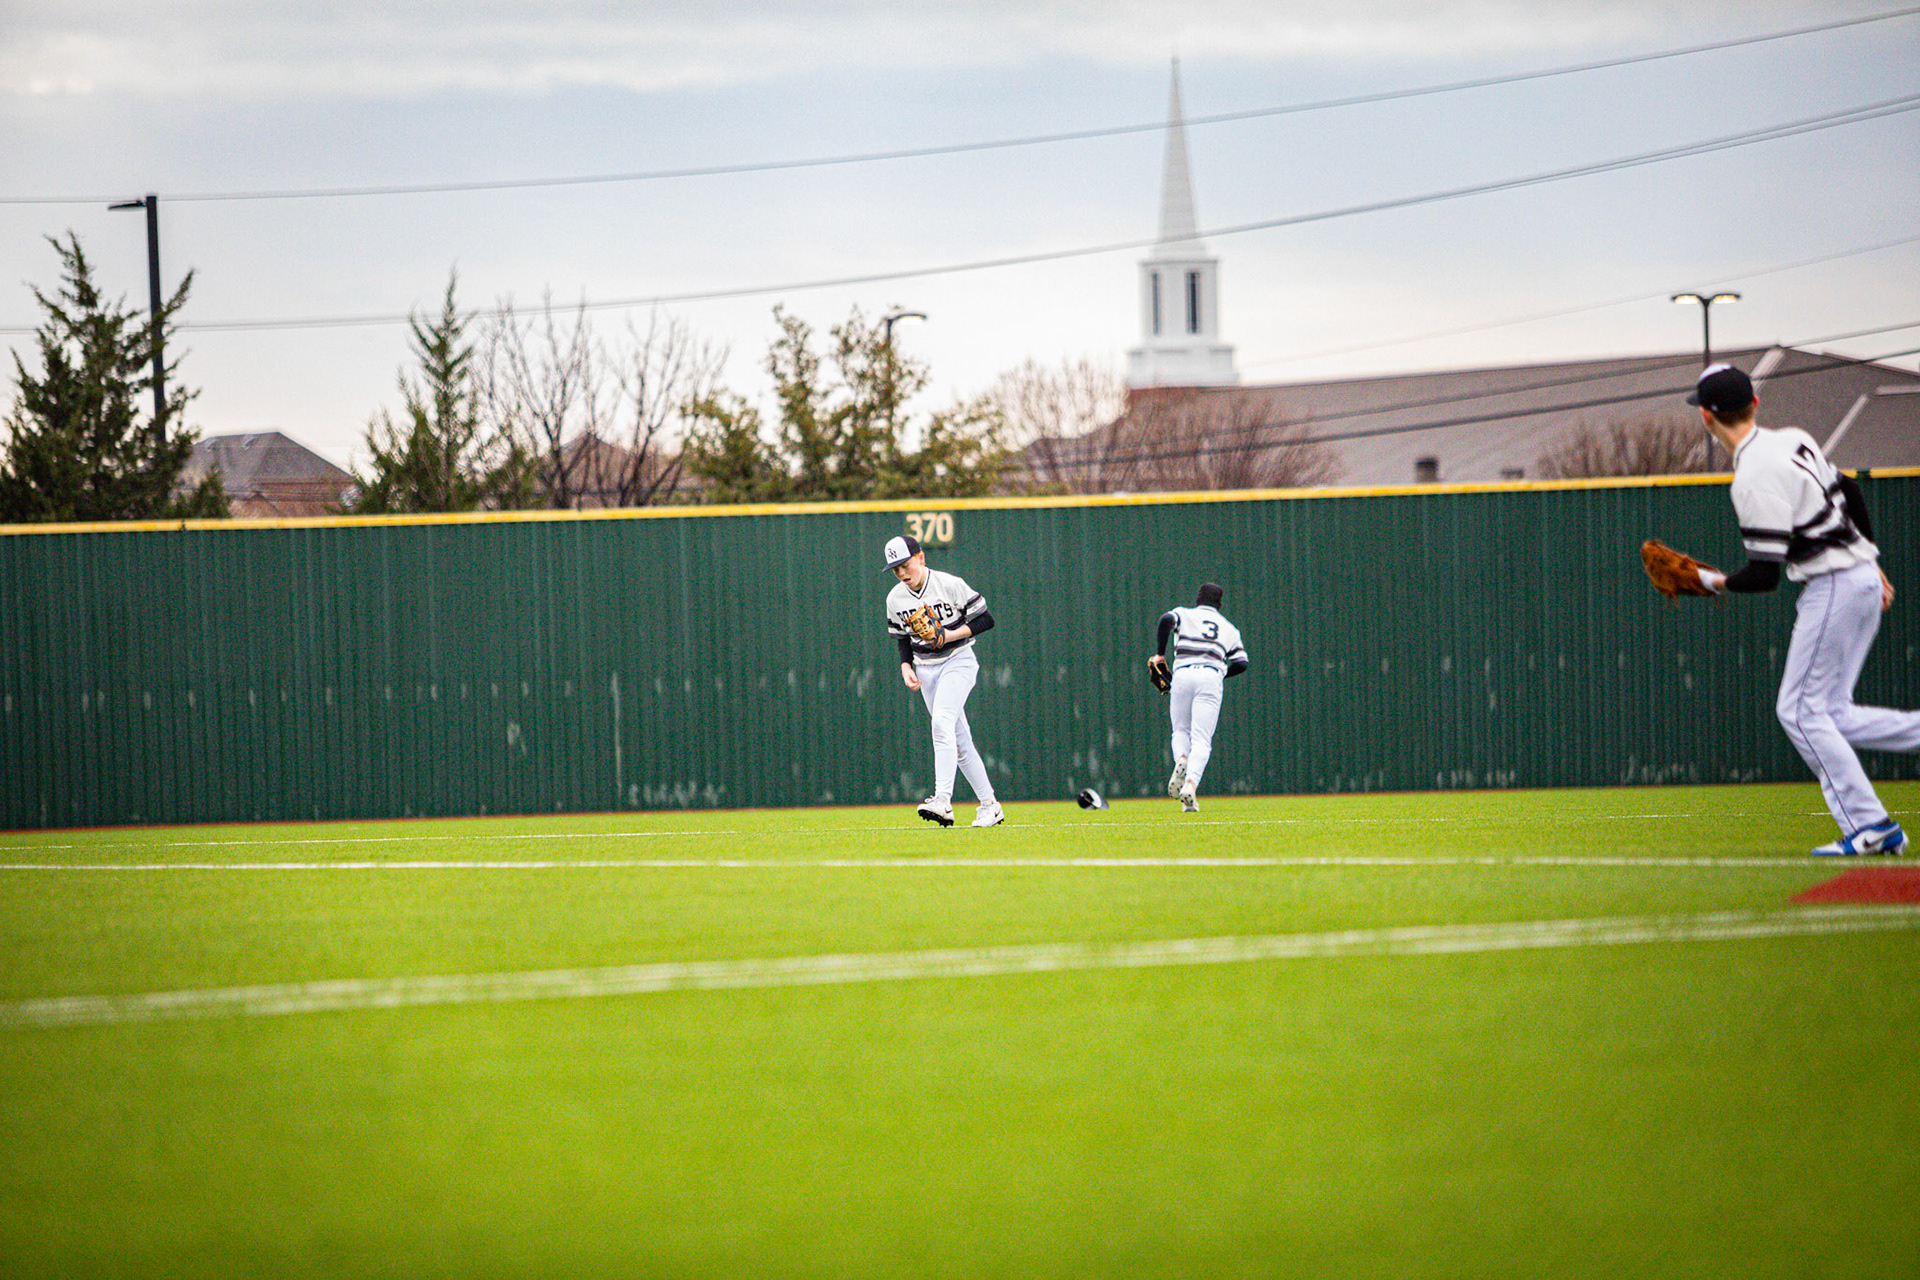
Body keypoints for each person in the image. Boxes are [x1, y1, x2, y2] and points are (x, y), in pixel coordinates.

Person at [1684, 362, 1918, 856]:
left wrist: (1711, 581)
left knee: (1797, 711)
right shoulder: (1793, 438)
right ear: (1755, 403)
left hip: (1833, 586)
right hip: (1857, 577)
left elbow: (1764, 575)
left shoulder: (1752, 476)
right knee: (1832, 713)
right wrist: (1869, 560)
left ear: (1706, 416)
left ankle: (1871, 824)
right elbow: (1849, 490)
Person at [883, 535, 1003, 828]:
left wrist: (949, 635)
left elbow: (986, 619)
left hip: (958, 660)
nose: (902, 573)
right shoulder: (895, 599)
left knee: (941, 723)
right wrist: (905, 665)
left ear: (921, 558)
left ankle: (942, 801)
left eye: (906, 565)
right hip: (926, 669)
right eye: (896, 569)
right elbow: (901, 637)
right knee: (959, 742)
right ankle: (990, 806)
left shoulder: (949, 584)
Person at [1148, 583, 1248, 813]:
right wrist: (1221, 673)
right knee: (1201, 740)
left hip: (1182, 674)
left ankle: (1182, 760)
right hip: (1210, 677)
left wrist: (1160, 654)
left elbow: (1165, 620)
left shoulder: (1184, 614)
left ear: (1198, 598)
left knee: (1180, 731)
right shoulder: (1229, 629)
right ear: (1219, 603)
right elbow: (1241, 663)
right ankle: (1190, 785)